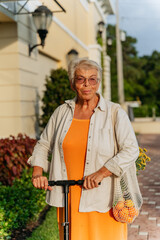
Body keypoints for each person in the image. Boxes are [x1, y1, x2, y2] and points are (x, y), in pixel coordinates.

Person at [28, 58, 139, 240]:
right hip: (68, 197)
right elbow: (44, 143)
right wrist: (37, 173)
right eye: (80, 79)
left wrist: (101, 173)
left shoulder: (115, 112)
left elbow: (130, 149)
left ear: (99, 83)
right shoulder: (61, 113)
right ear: (73, 84)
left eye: (92, 79)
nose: (87, 84)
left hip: (103, 198)